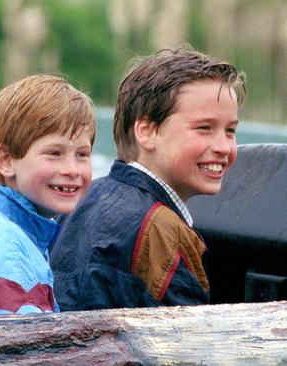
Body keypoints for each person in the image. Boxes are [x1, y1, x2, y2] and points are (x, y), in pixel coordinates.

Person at [50, 47, 246, 310]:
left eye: (230, 131)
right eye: (204, 128)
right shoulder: (164, 232)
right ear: (147, 131)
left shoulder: (82, 199)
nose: (224, 146)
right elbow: (188, 343)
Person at [0, 75, 95, 314]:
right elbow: (24, 347)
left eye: (82, 154)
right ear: (5, 160)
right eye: (54, 153)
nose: (72, 169)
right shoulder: (8, 253)